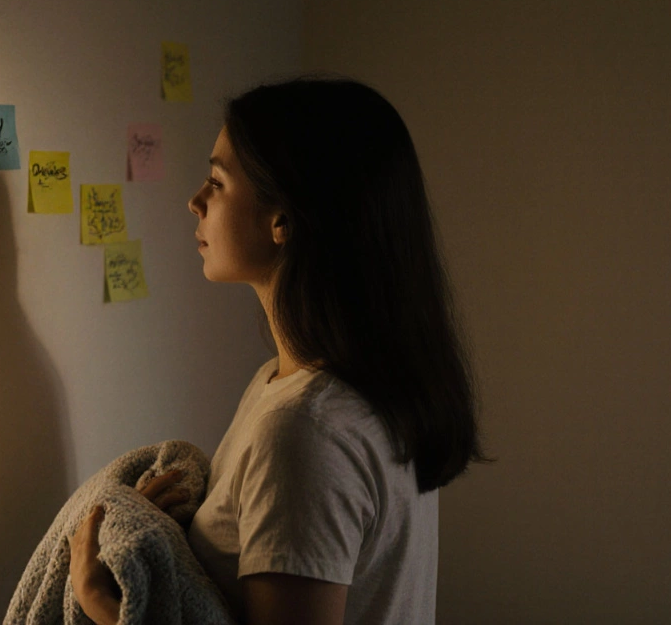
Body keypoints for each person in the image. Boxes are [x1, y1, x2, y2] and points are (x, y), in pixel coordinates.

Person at [68, 77, 491, 624]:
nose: (194, 201)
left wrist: (102, 600)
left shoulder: (305, 430)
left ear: (282, 220)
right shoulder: (307, 386)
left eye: (216, 183)